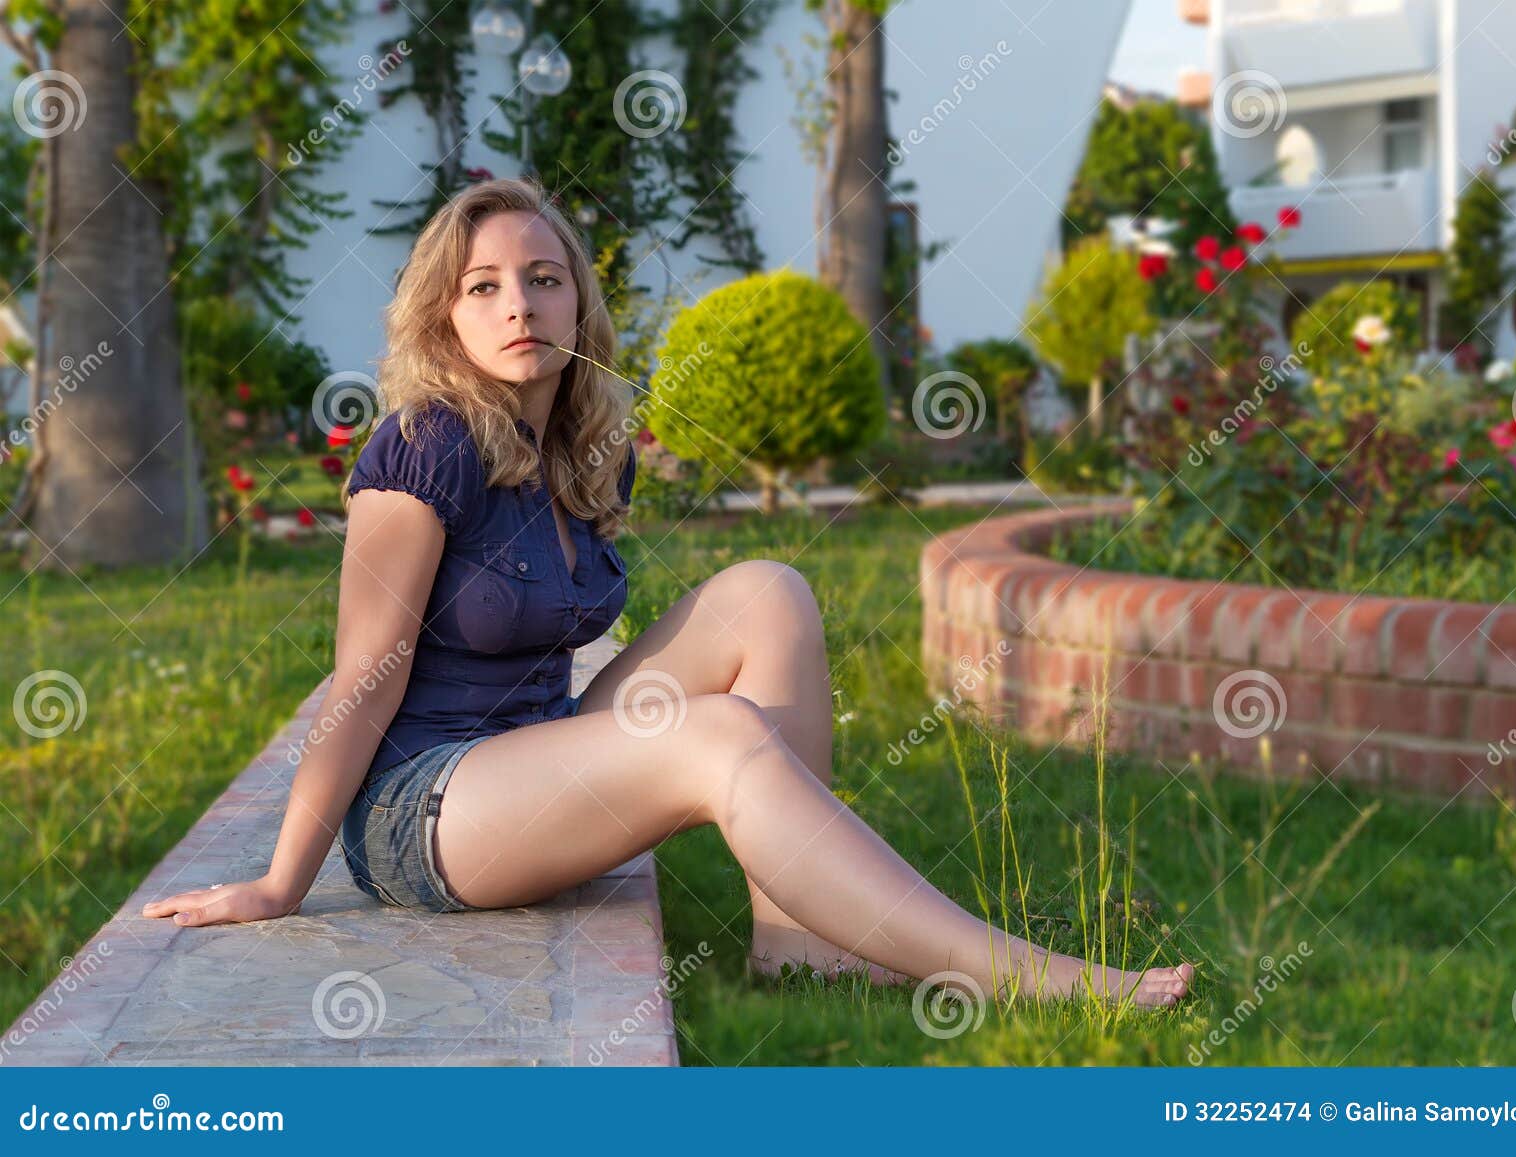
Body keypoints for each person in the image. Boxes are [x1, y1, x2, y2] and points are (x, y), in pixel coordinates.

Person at [142, 177, 1194, 1008]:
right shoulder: (423, 446)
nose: (518, 303)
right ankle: (1019, 972)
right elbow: (362, 677)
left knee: (767, 590)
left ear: (577, 300)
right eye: (483, 285)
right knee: (719, 734)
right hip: (426, 810)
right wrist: (281, 881)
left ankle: (799, 944)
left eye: (543, 277)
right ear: (445, 315)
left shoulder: (581, 450)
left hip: (538, 756)